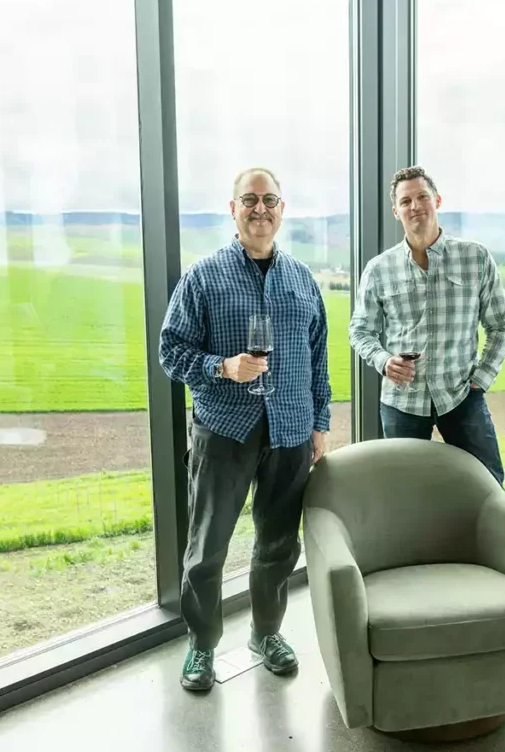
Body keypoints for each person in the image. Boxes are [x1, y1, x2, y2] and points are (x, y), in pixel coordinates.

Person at [159, 167, 331, 691]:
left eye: (270, 200)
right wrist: (223, 366)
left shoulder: (302, 279)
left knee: (279, 545)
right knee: (207, 547)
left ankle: (266, 633)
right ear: (232, 209)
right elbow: (171, 352)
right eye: (250, 200)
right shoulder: (203, 276)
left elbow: (318, 359)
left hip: (291, 431)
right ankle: (202, 643)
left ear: (282, 209)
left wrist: (320, 423)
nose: (261, 209)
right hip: (224, 430)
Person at [349, 165, 505, 485]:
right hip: (402, 402)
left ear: (437, 200)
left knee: (489, 484)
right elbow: (360, 330)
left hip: (462, 396)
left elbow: (500, 326)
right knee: (406, 492)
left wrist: (481, 378)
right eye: (405, 201)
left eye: (422, 196)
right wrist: (384, 361)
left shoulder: (475, 257)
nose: (415, 206)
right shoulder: (379, 269)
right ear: (396, 211)